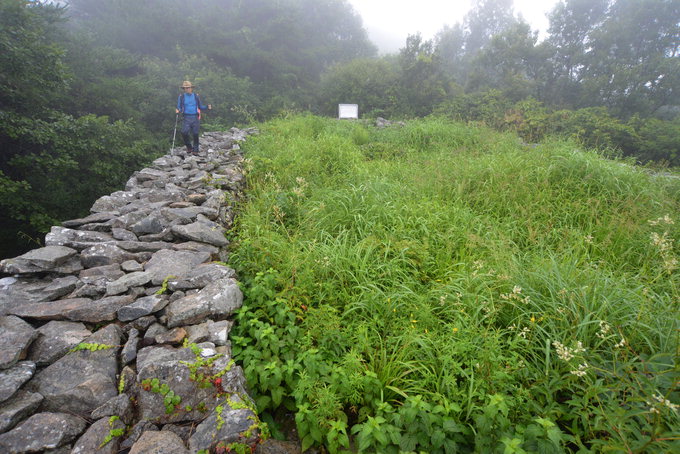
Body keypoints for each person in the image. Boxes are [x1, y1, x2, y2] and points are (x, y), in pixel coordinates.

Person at [175, 81, 211, 154]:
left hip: (195, 117)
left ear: (191, 88)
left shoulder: (196, 96)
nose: (187, 89)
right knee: (184, 132)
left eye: (188, 88)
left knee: (195, 133)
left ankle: (196, 149)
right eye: (185, 88)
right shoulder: (181, 97)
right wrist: (178, 110)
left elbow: (200, 106)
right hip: (186, 117)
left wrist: (207, 107)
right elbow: (179, 107)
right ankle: (189, 147)